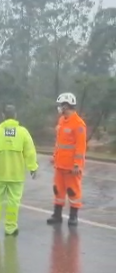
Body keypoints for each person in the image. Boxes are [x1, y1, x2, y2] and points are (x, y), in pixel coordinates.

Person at [0, 105, 38, 235]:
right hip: (16, 175)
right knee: (14, 202)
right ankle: (10, 228)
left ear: (3, 116)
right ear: (15, 115)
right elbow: (30, 152)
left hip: (0, 173)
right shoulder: (23, 132)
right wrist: (33, 167)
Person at [47, 92, 87, 226]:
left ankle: (73, 216)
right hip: (60, 165)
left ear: (67, 106)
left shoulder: (78, 124)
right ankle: (57, 215)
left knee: (73, 191)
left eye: (61, 105)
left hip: (71, 167)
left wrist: (77, 165)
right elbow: (59, 143)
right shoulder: (62, 121)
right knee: (58, 190)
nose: (60, 108)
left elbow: (81, 147)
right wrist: (54, 157)